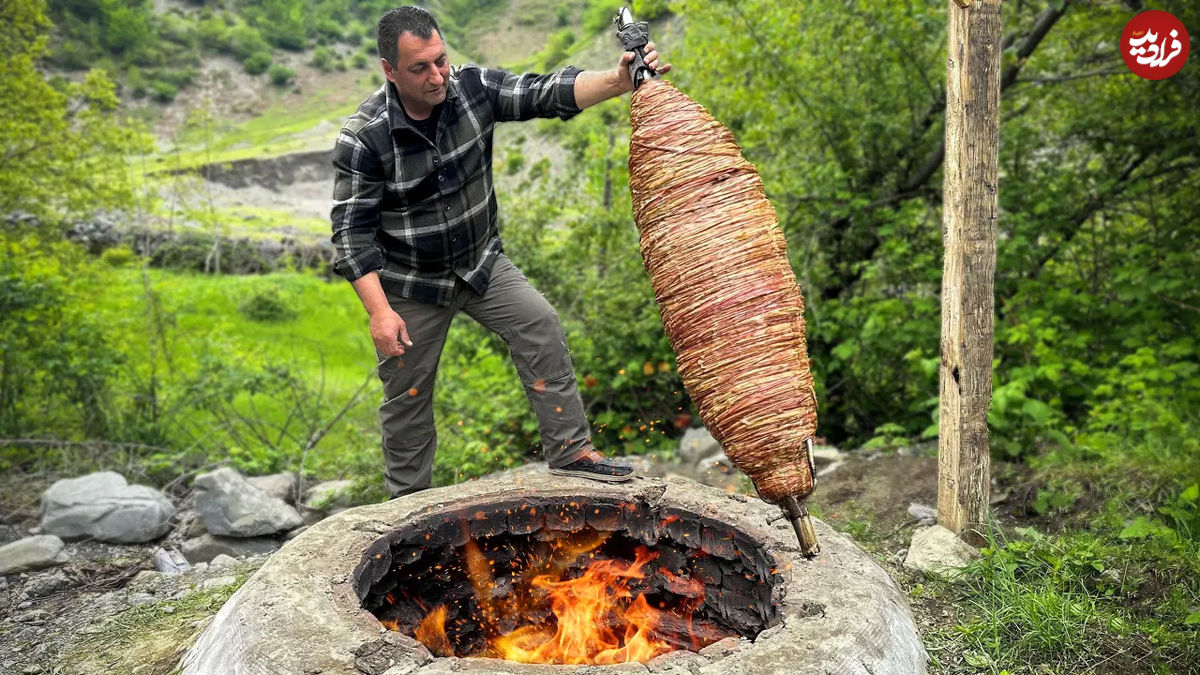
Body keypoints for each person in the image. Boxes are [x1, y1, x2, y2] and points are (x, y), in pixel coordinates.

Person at [330, 6, 671, 498]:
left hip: (480, 263)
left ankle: (570, 452)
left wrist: (619, 81)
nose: (437, 75)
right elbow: (350, 235)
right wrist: (379, 313)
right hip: (410, 283)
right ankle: (406, 505)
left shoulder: (471, 88)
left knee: (540, 325)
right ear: (389, 70)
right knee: (406, 397)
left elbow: (542, 92)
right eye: (420, 68)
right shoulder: (364, 137)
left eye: (441, 60)